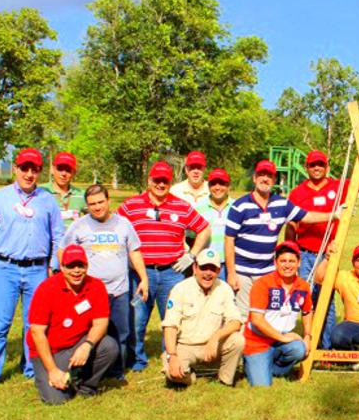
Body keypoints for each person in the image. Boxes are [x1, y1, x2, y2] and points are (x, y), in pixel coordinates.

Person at [0, 147, 64, 390]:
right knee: (0, 324)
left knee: (34, 324)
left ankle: (31, 369)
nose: (29, 174)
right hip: (6, 268)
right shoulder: (1, 197)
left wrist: (53, 266)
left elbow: (58, 235)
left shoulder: (47, 200)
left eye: (34, 170)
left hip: (37, 270)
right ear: (15, 168)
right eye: (24, 168)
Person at [117, 161, 211, 371]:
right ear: (149, 180)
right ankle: (137, 359)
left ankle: (169, 355)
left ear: (170, 182)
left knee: (172, 317)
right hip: (141, 273)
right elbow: (116, 227)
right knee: (137, 318)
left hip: (171, 272)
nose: (160, 184)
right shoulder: (131, 205)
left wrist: (192, 255)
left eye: (165, 181)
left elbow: (204, 228)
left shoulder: (180, 206)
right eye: (156, 180)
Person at [224, 160, 341, 318]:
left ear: (274, 180)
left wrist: (334, 215)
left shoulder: (282, 204)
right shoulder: (240, 206)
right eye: (261, 175)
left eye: (269, 176)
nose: (265, 179)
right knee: (243, 315)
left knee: (266, 314)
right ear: (254, 178)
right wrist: (232, 273)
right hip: (242, 271)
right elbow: (229, 240)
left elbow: (307, 216)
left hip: (267, 271)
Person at [62, 184, 149, 379]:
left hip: (119, 291)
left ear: (109, 201)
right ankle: (88, 370)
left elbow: (134, 252)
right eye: (92, 204)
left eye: (100, 202)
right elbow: (63, 251)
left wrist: (144, 278)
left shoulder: (123, 224)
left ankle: (116, 372)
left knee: (121, 332)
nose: (97, 207)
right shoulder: (79, 226)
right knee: (86, 332)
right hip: (89, 293)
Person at [26, 245, 119, 405]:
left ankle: (86, 386)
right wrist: (53, 371)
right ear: (62, 267)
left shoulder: (96, 286)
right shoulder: (46, 289)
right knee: (56, 400)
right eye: (70, 266)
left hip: (78, 343)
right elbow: (37, 332)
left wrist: (87, 345)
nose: (76, 271)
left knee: (109, 346)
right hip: (50, 351)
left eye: (80, 266)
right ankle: (56, 378)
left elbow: (101, 322)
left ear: (86, 266)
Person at [286, 149, 344, 349]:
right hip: (304, 253)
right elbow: (291, 225)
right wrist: (291, 253)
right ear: (306, 167)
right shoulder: (297, 193)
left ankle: (326, 348)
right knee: (303, 298)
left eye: (321, 164)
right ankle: (306, 342)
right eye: (313, 165)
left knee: (326, 299)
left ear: (327, 166)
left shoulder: (338, 187)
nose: (317, 168)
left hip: (329, 255)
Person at [161, 249, 244, 387]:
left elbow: (236, 322)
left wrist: (215, 337)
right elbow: (170, 325)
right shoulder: (180, 289)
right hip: (186, 346)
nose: (208, 273)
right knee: (173, 374)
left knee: (237, 340)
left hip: (212, 346)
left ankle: (224, 380)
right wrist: (172, 355)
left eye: (213, 269)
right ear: (195, 268)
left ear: (219, 271)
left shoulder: (224, 289)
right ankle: (190, 376)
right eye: (204, 268)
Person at [242, 242, 314, 386]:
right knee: (262, 386)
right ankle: (255, 363)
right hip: (258, 341)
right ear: (275, 263)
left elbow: (307, 311)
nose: (287, 265)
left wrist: (307, 335)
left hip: (281, 339)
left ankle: (273, 368)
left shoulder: (303, 286)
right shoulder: (262, 284)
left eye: (291, 261)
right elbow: (257, 320)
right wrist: (283, 337)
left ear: (299, 262)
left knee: (299, 349)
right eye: (283, 261)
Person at [314, 243, 359, 349]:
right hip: (352, 324)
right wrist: (327, 258)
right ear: (353, 263)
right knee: (337, 336)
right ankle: (356, 353)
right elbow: (319, 279)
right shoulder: (345, 277)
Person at [193, 168, 234, 281]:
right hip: (205, 265)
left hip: (229, 266)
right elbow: (190, 236)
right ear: (208, 186)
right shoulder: (198, 208)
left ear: (228, 186)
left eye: (222, 183)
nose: (217, 187)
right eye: (213, 184)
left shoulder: (236, 207)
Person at [40, 151, 86, 229]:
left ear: (74, 173)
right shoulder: (40, 191)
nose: (63, 174)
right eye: (60, 169)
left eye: (68, 170)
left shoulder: (82, 195)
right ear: (52, 169)